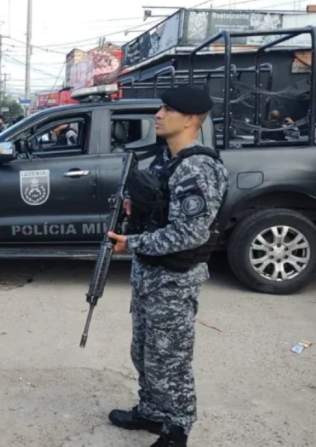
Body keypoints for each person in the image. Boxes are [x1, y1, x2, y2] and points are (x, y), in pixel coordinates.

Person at [107, 87, 229, 447]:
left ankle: (177, 428)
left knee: (171, 359)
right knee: (145, 351)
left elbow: (190, 233)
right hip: (149, 277)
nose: (158, 115)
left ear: (190, 119)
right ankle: (151, 411)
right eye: (160, 107)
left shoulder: (200, 168)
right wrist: (135, 206)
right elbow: (160, 206)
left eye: (168, 109)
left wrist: (133, 244)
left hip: (174, 281)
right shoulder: (167, 160)